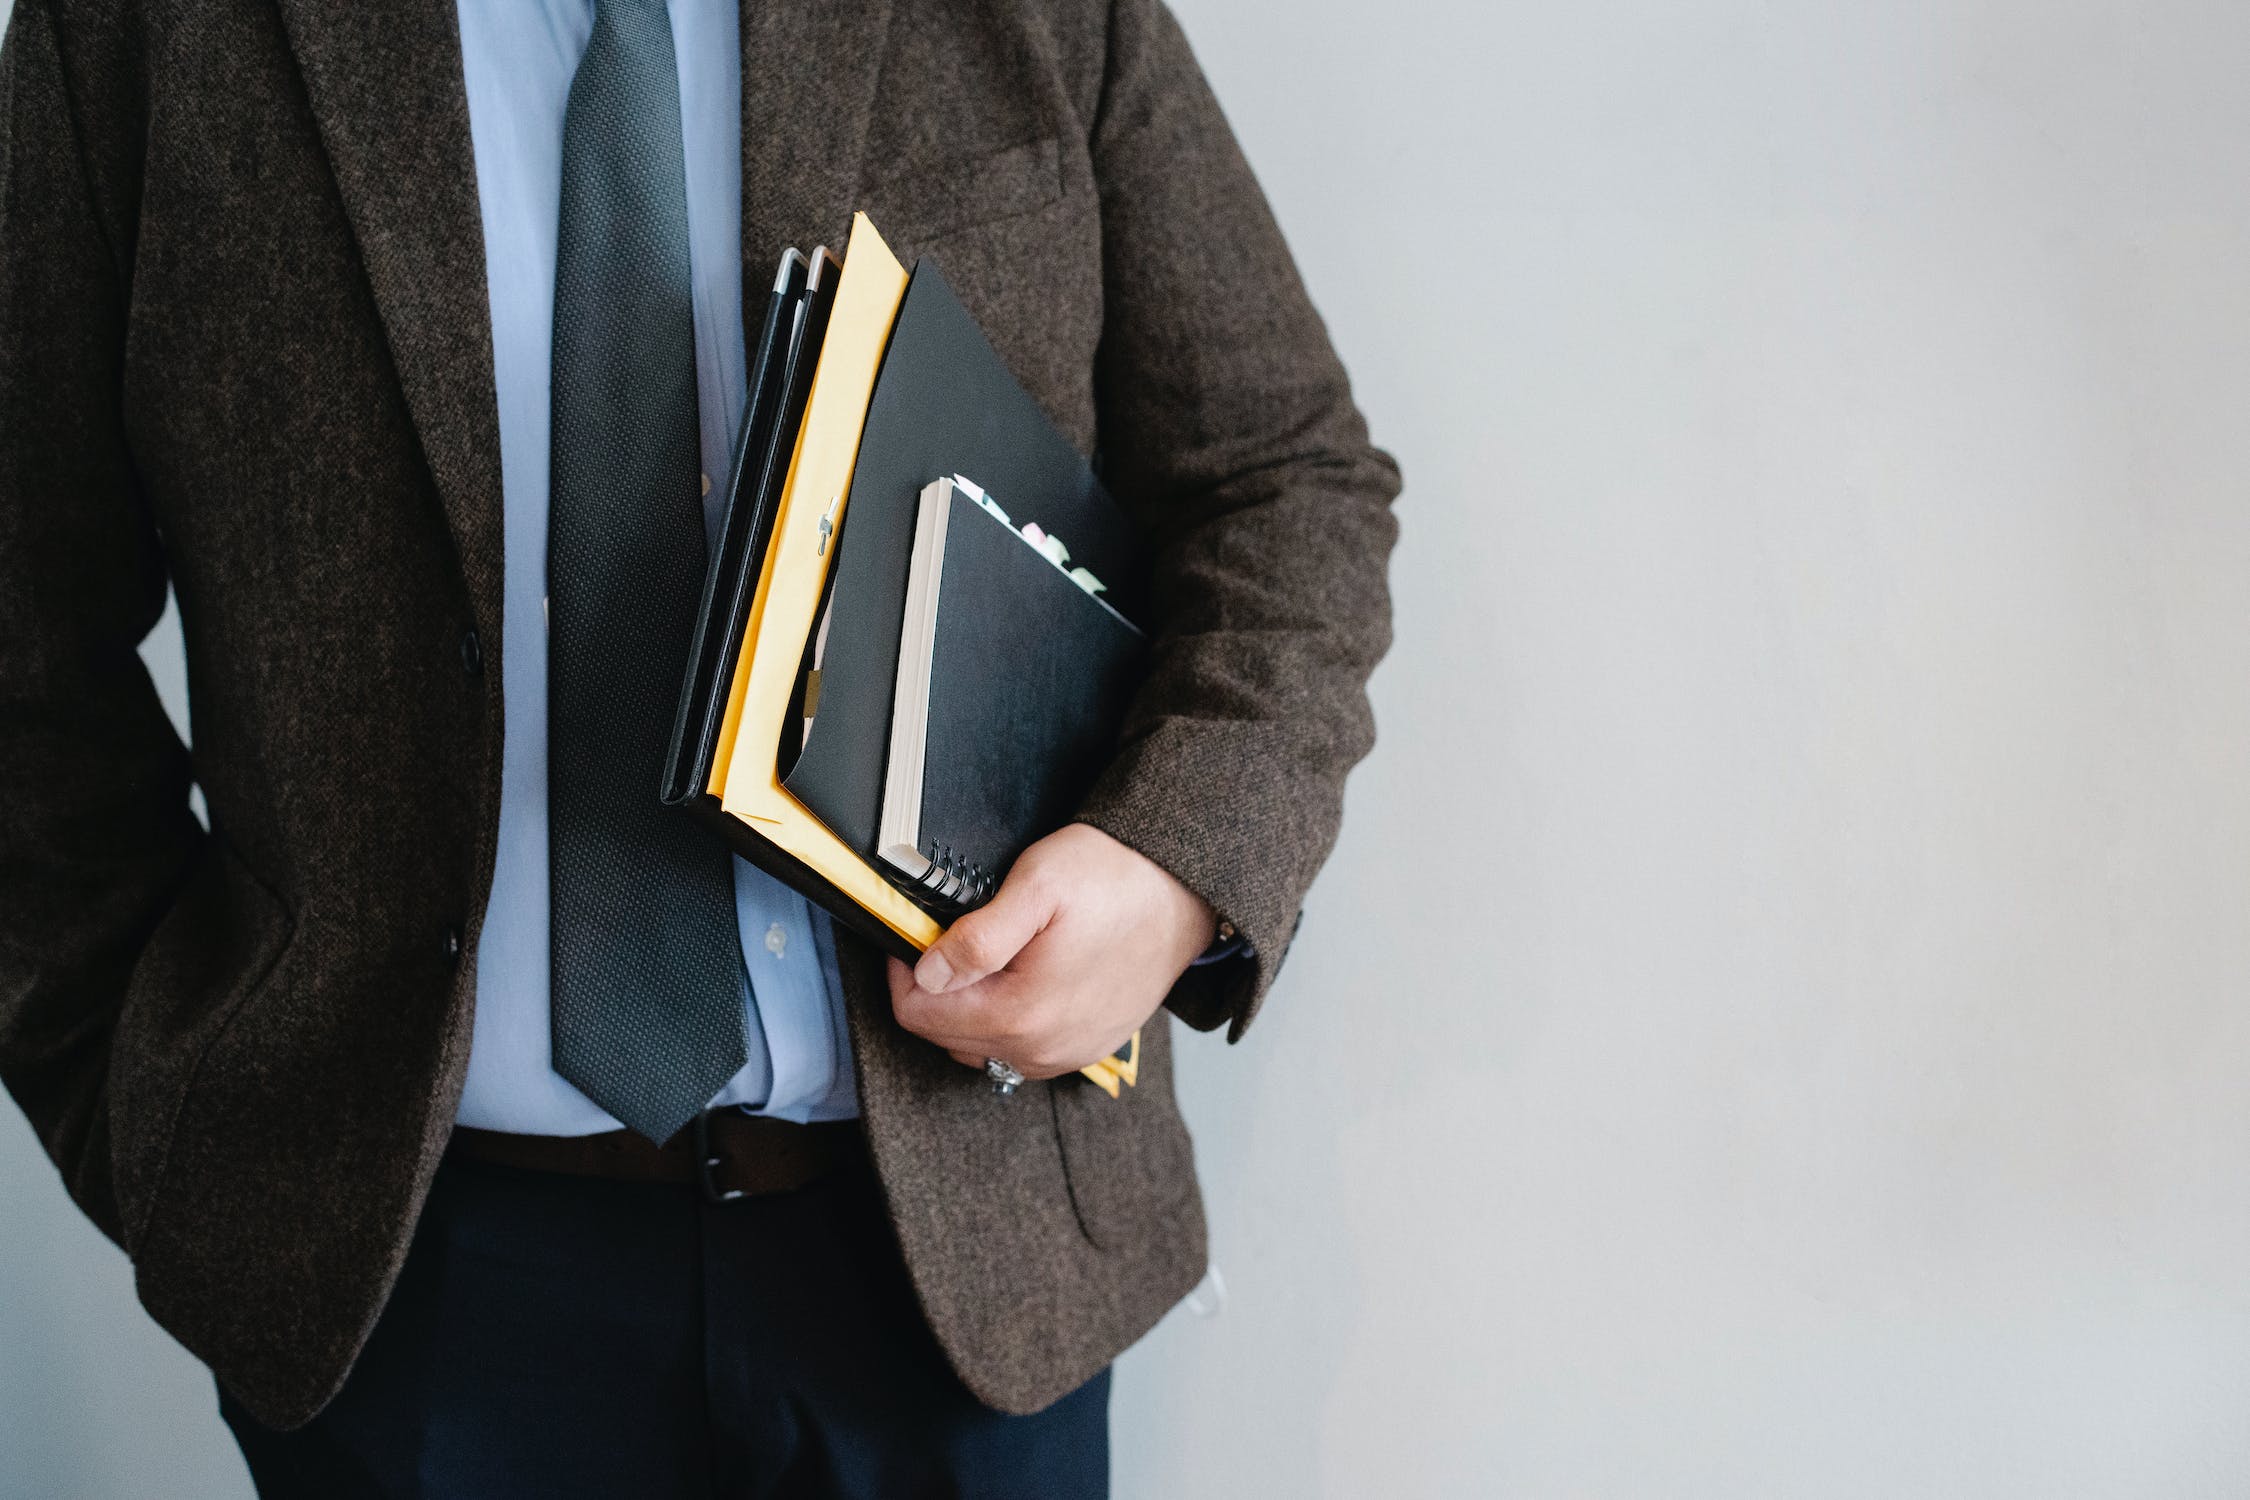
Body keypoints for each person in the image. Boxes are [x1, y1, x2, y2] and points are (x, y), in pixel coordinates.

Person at [0, 0, 1398, 1492]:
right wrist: (159, 1123)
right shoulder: (139, 29)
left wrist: (1178, 862)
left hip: (963, 1252)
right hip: (406, 1289)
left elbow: (1279, 478)